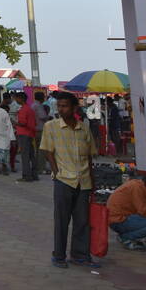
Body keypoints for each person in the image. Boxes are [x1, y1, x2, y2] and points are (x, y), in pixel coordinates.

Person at [38, 92, 97, 268]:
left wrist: (92, 180)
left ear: (74, 108)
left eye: (64, 106)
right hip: (64, 179)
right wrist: (56, 172)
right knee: (62, 220)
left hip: (84, 180)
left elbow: (90, 156)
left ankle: (80, 255)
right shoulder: (51, 126)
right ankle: (59, 256)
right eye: (59, 106)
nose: (61, 109)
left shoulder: (84, 127)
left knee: (82, 221)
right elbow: (48, 151)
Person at [14, 91, 39, 182]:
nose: (16, 100)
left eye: (17, 98)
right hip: (30, 133)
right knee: (31, 155)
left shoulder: (23, 110)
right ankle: (34, 174)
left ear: (21, 99)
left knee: (25, 156)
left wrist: (15, 123)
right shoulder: (30, 109)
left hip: (24, 134)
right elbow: (34, 122)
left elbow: (23, 123)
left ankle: (26, 175)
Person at [7, 92, 22, 171]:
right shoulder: (4, 106)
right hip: (7, 130)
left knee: (13, 147)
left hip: (14, 129)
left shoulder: (17, 106)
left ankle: (12, 163)